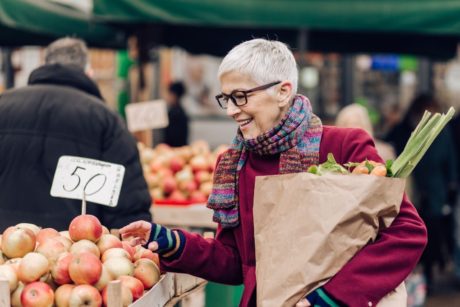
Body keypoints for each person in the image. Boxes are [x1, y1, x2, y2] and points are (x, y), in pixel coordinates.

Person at [120, 39, 427, 307]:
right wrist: (171, 241)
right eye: (226, 98)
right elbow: (236, 262)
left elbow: (407, 233)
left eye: (240, 96)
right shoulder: (234, 163)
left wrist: (334, 297)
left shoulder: (344, 146)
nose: (231, 110)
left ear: (283, 92)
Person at [0, 37, 152, 232]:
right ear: (89, 72)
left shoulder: (3, 104)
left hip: (5, 245)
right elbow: (128, 202)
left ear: (45, 64)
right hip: (73, 251)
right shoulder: (105, 118)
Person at [386, 93, 458, 293]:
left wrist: (450, 188)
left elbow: (449, 161)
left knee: (431, 236)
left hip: (434, 194)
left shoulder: (441, 133)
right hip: (411, 191)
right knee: (412, 233)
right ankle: (417, 277)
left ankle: (428, 277)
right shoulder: (404, 130)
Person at [163, 81, 189, 147]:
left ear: (174, 95)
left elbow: (173, 138)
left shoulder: (175, 114)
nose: (166, 97)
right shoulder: (181, 111)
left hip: (173, 151)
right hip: (178, 150)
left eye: (169, 94)